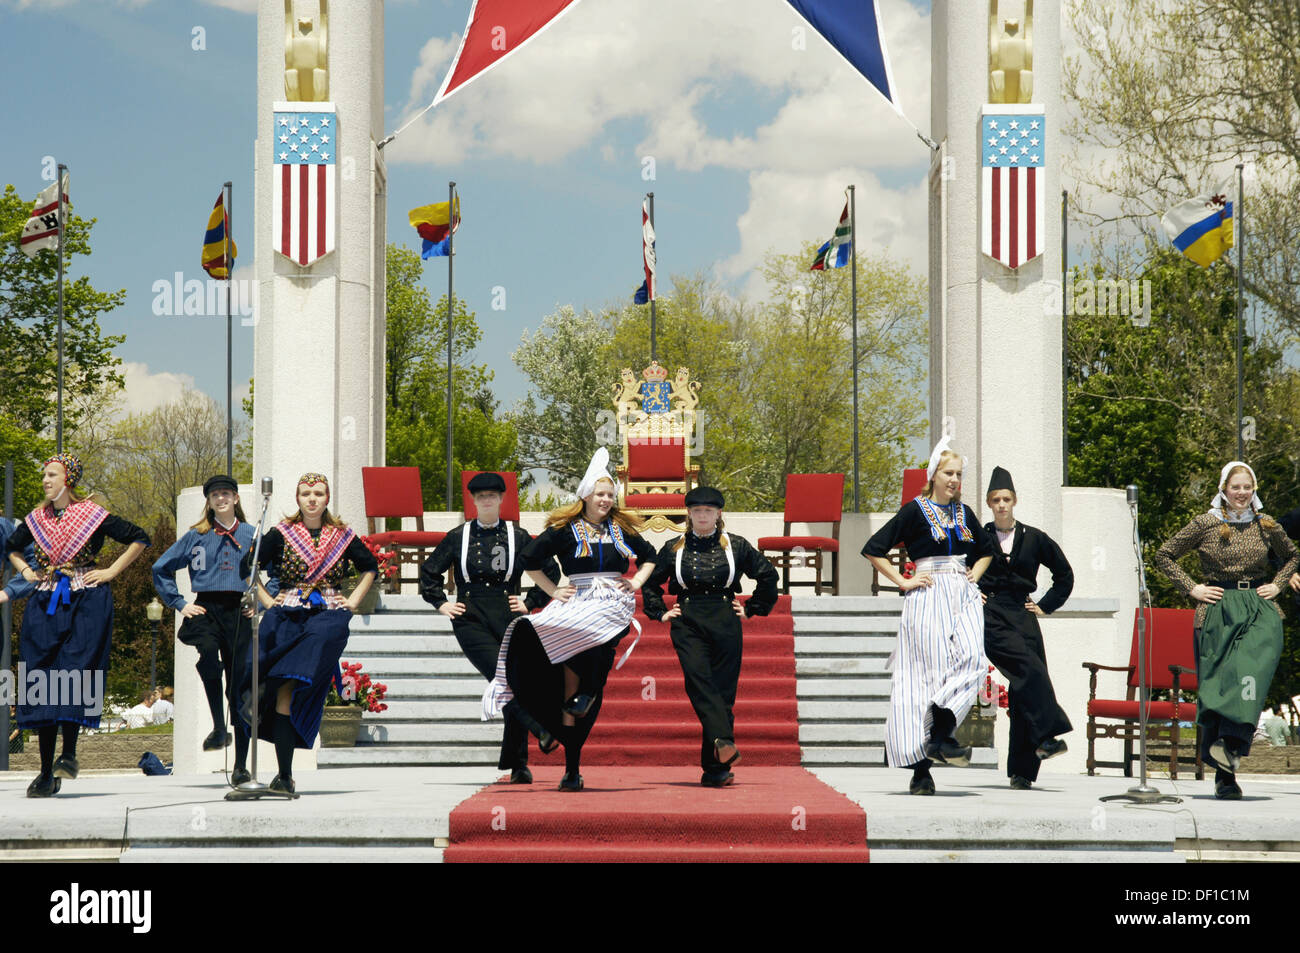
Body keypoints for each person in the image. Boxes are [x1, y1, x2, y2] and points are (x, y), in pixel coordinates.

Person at [482, 448, 658, 792]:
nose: (605, 500)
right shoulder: (565, 530)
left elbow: (650, 557)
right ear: (586, 496)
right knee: (540, 638)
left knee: (601, 639)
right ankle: (571, 759)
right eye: (600, 494)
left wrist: (634, 583)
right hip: (578, 598)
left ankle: (587, 690)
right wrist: (552, 590)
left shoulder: (621, 528)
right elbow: (529, 560)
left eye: (610, 495)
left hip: (612, 600)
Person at [4, 453, 150, 797]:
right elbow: (11, 548)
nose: (45, 480)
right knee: (40, 676)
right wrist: (25, 571)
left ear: (68, 479)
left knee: (74, 672)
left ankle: (67, 754)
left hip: (86, 598)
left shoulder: (93, 515)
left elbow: (139, 537)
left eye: (52, 474)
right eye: (45, 475)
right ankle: (44, 771)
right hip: (46, 599)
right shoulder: (37, 519)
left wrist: (112, 571)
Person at [1154, 461, 1297, 800]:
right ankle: (1225, 774)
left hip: (1257, 607)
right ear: (1224, 488)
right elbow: (1165, 555)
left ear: (1254, 489)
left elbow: (1292, 556)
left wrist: (1277, 585)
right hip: (1217, 607)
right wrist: (1193, 588)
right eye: (1236, 487)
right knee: (1218, 686)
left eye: (1248, 487)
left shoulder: (1266, 525)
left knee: (1250, 672)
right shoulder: (1206, 523)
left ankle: (1231, 743)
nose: (1242, 493)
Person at [862, 439, 994, 795]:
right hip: (928, 591)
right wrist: (904, 581)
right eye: (948, 473)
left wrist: (975, 576)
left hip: (962, 591)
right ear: (933, 475)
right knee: (926, 676)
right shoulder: (913, 511)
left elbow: (986, 550)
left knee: (974, 660)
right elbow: (874, 548)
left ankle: (940, 732)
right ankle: (922, 769)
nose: (954, 480)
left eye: (959, 474)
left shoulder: (965, 513)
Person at [418, 471, 561, 784]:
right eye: (480, 496)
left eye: (492, 495)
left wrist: (531, 600)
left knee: (516, 680)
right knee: (503, 676)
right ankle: (540, 730)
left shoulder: (518, 535)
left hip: (508, 614)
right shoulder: (458, 536)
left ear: (501, 499)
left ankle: (517, 764)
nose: (486, 500)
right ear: (472, 500)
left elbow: (549, 568)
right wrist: (441, 603)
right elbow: (429, 573)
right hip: (470, 617)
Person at [241, 472, 377, 796]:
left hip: (328, 612)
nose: (312, 499)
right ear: (297, 498)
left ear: (327, 498)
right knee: (278, 688)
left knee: (314, 649)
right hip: (287, 608)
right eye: (306, 493)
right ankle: (284, 776)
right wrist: (265, 600)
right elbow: (250, 565)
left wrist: (354, 600)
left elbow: (370, 566)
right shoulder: (282, 533)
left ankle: (274, 697)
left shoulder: (342, 535)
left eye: (318, 493)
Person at [642, 486, 779, 787]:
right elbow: (650, 582)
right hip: (688, 620)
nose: (703, 516)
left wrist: (754, 607)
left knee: (723, 693)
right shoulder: (672, 547)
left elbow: (768, 575)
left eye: (708, 511)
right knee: (699, 682)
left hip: (725, 618)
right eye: (697, 511)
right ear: (689, 514)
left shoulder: (738, 546)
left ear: (718, 514)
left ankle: (715, 770)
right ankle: (724, 741)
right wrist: (659, 612)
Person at [152, 475, 261, 782]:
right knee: (208, 652)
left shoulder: (253, 535)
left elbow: (274, 573)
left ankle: (240, 766)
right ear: (209, 502)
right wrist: (180, 603)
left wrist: (260, 603)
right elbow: (160, 567)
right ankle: (217, 725)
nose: (221, 498)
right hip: (206, 607)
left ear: (236, 499)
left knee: (240, 689)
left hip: (239, 610)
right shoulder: (196, 535)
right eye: (215, 495)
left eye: (226, 493)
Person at [978, 466, 1074, 790]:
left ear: (1014, 501)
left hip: (1024, 614)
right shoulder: (979, 538)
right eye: (995, 500)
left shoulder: (1034, 538)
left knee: (1024, 691)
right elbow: (957, 570)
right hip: (993, 616)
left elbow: (1064, 574)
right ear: (989, 504)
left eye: (1006, 499)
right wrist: (971, 591)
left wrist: (1045, 605)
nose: (1001, 504)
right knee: (1031, 671)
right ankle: (1048, 735)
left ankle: (1022, 772)